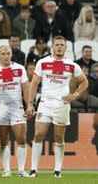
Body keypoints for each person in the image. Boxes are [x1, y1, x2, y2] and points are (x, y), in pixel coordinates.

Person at [28, 36, 89, 178]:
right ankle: (33, 169)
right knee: (38, 134)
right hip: (45, 103)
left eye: (62, 45)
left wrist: (75, 95)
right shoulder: (43, 63)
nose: (59, 47)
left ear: (66, 47)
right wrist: (30, 104)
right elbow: (34, 83)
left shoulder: (72, 65)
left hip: (62, 105)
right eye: (57, 45)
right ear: (52, 47)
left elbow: (84, 83)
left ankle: (57, 170)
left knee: (58, 138)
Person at [0, 45, 31, 177]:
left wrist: (29, 105)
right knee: (3, 140)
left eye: (8, 53)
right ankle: (7, 170)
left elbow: (26, 88)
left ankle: (21, 170)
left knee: (21, 139)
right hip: (0, 109)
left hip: (17, 107)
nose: (6, 56)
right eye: (3, 54)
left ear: (11, 54)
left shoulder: (19, 69)